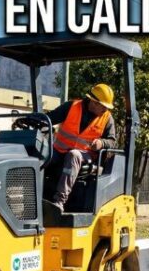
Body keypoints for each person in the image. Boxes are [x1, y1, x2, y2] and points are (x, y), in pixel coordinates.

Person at [43, 83, 118, 213]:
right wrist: (34, 119)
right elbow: (49, 118)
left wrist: (101, 143)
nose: (105, 110)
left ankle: (59, 201)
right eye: (104, 106)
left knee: (74, 155)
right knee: (41, 154)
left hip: (85, 156)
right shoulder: (71, 107)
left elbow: (112, 142)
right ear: (94, 102)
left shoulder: (107, 118)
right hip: (59, 151)